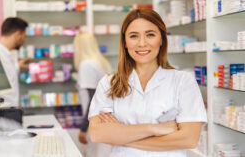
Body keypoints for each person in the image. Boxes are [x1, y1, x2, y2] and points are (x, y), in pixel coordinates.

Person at [88, 9, 207, 157]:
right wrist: (153, 129)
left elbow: (189, 139)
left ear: (162, 39)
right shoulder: (109, 83)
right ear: (125, 42)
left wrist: (120, 135)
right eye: (133, 36)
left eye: (150, 34)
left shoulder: (183, 81)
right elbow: (97, 134)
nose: (142, 43)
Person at [73, 32, 112, 157]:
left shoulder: (86, 65)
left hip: (94, 121)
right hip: (104, 120)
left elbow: (92, 99)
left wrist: (83, 129)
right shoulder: (102, 62)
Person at [0, 17, 30, 107]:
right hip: (2, 116)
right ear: (18, 35)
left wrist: (18, 66)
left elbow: (8, 76)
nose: (24, 40)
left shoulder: (5, 54)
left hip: (9, 113)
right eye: (24, 36)